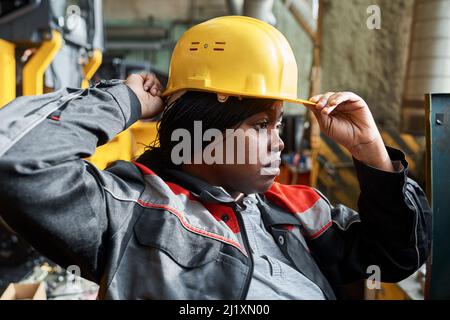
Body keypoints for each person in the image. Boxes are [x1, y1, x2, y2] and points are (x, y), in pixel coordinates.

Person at [0, 16, 431, 300]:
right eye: (260, 125)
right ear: (204, 128)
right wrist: (125, 99)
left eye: (278, 125)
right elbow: (18, 160)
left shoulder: (295, 211)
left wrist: (370, 150)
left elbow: (397, 256)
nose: (277, 143)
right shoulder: (132, 211)